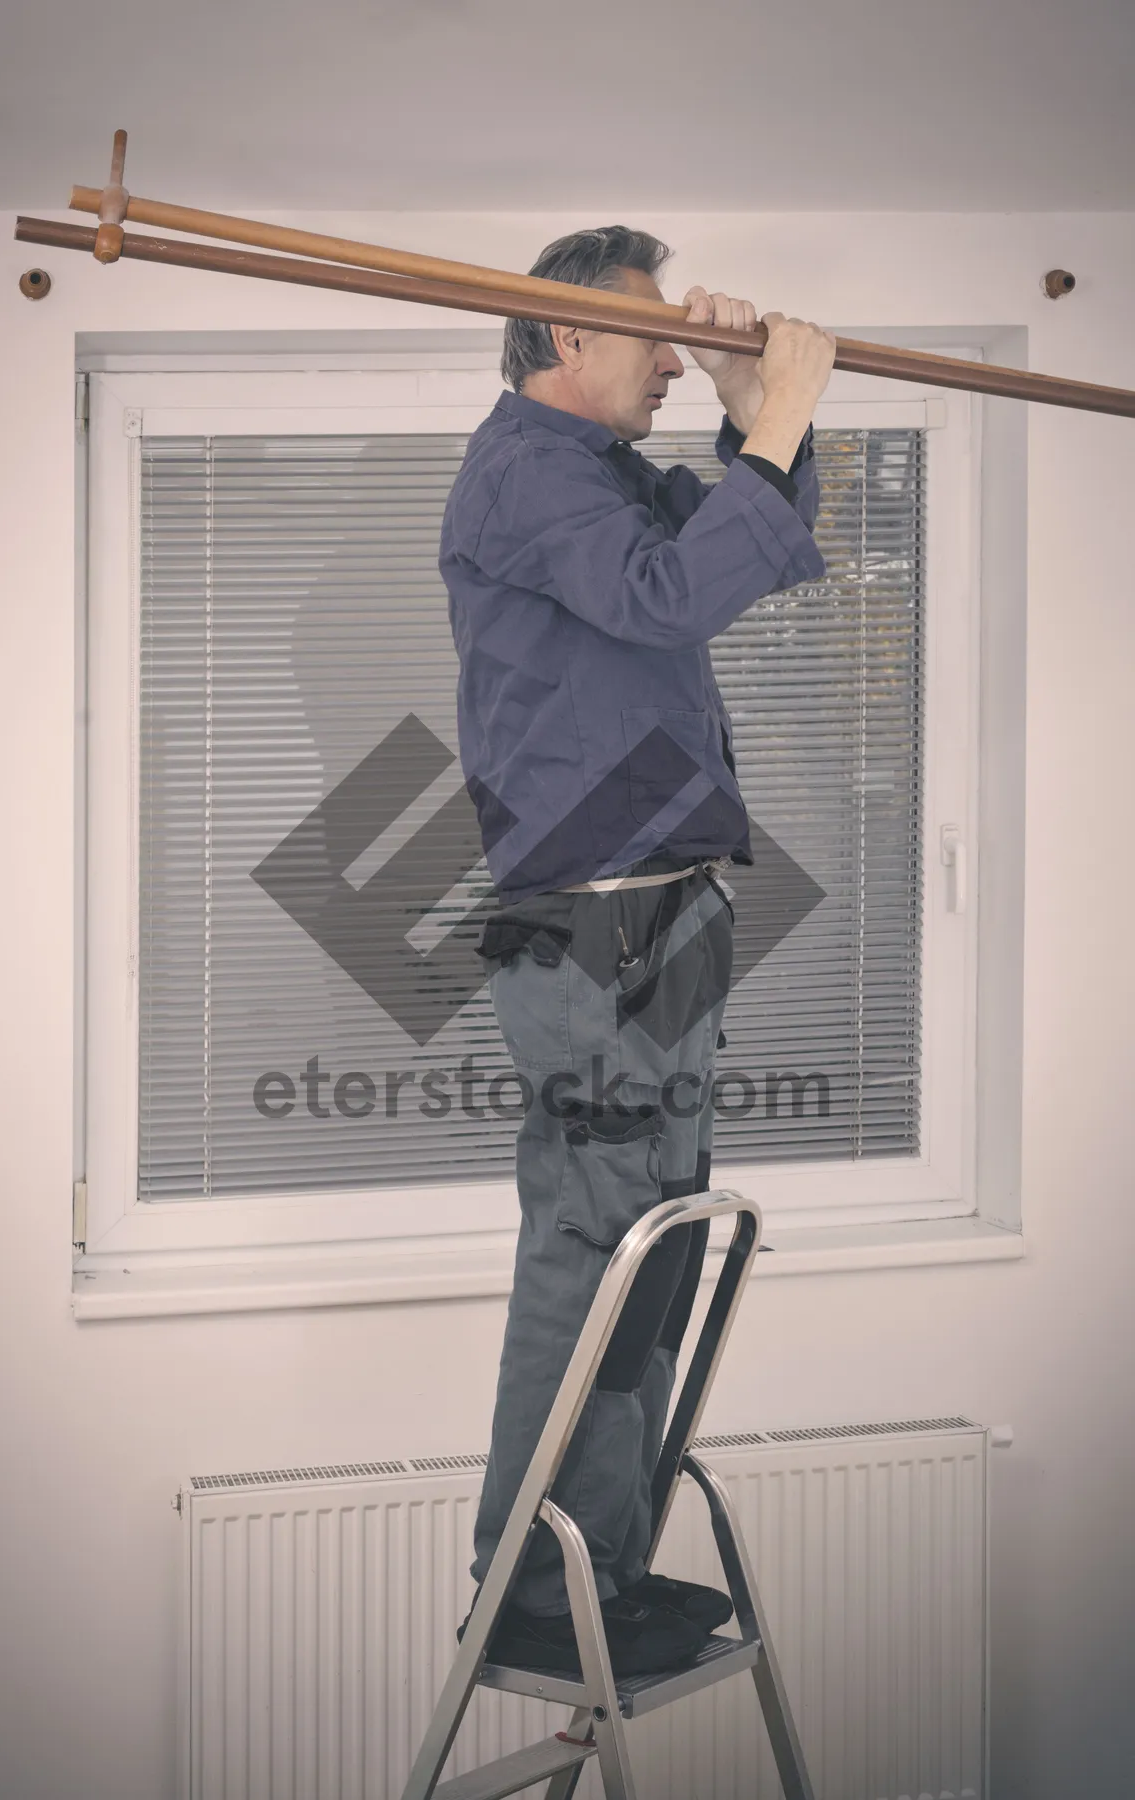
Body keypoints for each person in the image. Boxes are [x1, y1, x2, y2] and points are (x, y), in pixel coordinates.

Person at [439, 225, 835, 1678]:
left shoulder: (602, 479)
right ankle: (525, 1583)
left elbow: (766, 551)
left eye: (681, 339)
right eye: (653, 337)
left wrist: (753, 406)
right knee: (591, 1243)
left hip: (659, 908)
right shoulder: (525, 477)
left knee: (646, 1255)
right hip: (592, 920)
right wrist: (768, 410)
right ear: (562, 340)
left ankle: (597, 1562)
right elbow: (671, 595)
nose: (670, 356)